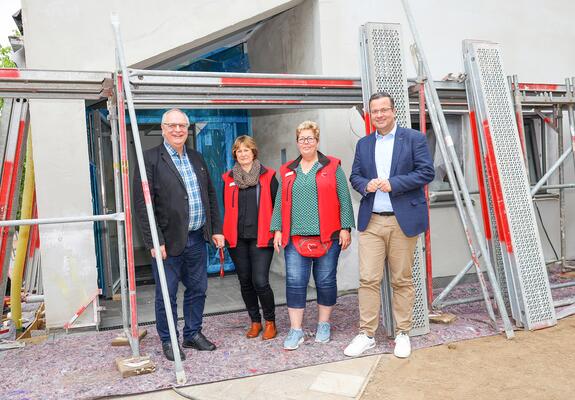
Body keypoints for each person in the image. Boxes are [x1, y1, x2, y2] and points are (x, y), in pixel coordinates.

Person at [344, 92, 434, 359]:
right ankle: (367, 334)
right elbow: (355, 176)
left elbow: (426, 172)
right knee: (368, 279)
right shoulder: (364, 144)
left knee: (401, 279)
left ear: (394, 111)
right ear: (369, 115)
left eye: (384, 110)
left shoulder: (414, 138)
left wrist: (395, 183)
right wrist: (365, 185)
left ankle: (403, 333)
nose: (379, 115)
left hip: (401, 220)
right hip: (372, 221)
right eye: (375, 111)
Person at [133, 108, 225, 361]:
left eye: (182, 126)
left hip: (196, 237)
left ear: (187, 129)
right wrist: (154, 241)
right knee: (167, 294)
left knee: (198, 289)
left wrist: (216, 229)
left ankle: (192, 333)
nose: (177, 130)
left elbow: (210, 196)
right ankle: (169, 339)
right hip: (167, 242)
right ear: (162, 128)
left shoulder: (197, 158)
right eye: (172, 125)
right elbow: (143, 205)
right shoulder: (150, 159)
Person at [271, 120, 355, 350]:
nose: (306, 143)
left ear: (317, 141)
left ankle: (324, 324)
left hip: (328, 237)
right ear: (297, 143)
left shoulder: (332, 166)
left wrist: (345, 227)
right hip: (295, 238)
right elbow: (280, 201)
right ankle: (296, 330)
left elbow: (344, 198)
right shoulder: (288, 170)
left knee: (326, 281)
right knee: (295, 282)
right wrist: (277, 228)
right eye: (301, 139)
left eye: (310, 138)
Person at [222, 135, 279, 340]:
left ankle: (270, 321)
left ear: (253, 152)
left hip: (261, 237)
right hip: (237, 240)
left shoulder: (268, 176)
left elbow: (278, 207)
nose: (243, 153)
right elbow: (226, 208)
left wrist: (278, 231)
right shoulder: (228, 178)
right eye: (239, 150)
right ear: (235, 154)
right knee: (245, 281)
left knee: (260, 281)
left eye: (246, 149)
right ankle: (255, 321)